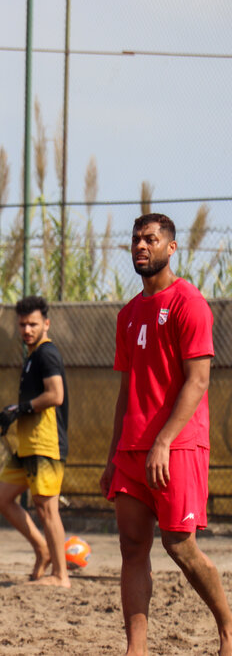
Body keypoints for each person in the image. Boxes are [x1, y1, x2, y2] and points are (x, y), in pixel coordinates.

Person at [99, 213, 232, 656]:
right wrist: (113, 454)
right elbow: (125, 392)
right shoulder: (128, 314)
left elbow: (197, 382)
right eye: (135, 239)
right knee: (132, 549)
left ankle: (228, 628)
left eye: (150, 239)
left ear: (170, 248)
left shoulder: (188, 303)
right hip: (132, 453)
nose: (141, 246)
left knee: (181, 547)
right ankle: (136, 650)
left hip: (176, 449)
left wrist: (163, 441)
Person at [0, 295, 70, 587]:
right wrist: (16, 410)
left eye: (33, 324)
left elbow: (55, 395)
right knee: (1, 496)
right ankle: (42, 548)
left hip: (45, 444)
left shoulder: (46, 354)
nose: (27, 329)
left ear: (46, 324)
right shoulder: (32, 355)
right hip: (27, 446)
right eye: (22, 324)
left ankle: (61, 576)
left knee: (47, 508)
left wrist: (21, 408)